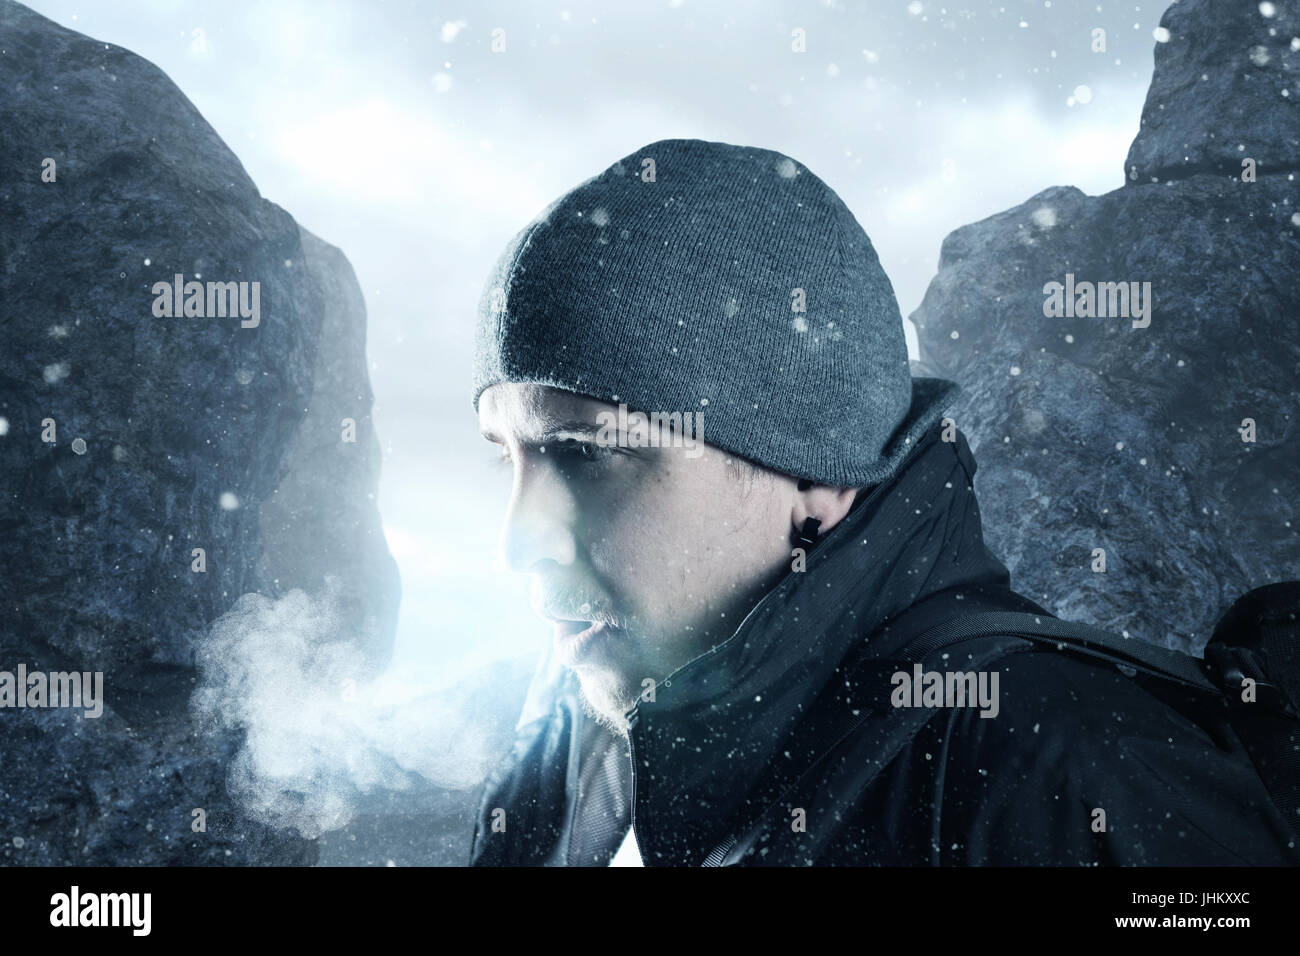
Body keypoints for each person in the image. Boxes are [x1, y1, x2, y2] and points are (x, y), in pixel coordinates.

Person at [466, 138, 1298, 866]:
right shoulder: (574, 758)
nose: (517, 540)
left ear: (816, 475)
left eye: (586, 455)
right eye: (508, 456)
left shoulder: (1061, 772)